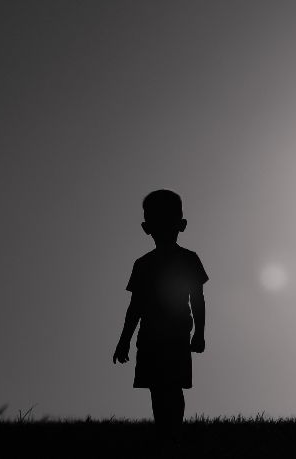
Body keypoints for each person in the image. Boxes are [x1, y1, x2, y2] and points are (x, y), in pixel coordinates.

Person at [113, 189, 209, 449]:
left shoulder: (186, 260)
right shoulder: (143, 264)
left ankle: (172, 436)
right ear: (147, 227)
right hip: (153, 336)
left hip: (174, 334)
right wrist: (124, 340)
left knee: (170, 387)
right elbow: (135, 306)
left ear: (181, 225)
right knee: (160, 388)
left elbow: (197, 299)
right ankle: (166, 437)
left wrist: (199, 333)